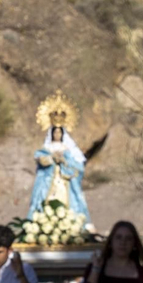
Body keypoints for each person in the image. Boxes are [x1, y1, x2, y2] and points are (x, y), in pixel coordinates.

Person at [28, 93, 91, 224]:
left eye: (59, 132)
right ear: (52, 133)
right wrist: (51, 159)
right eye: (55, 132)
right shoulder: (47, 148)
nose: (57, 134)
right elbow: (40, 160)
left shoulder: (68, 149)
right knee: (45, 202)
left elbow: (78, 166)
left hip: (64, 181)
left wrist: (64, 161)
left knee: (67, 203)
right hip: (48, 181)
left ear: (63, 133)